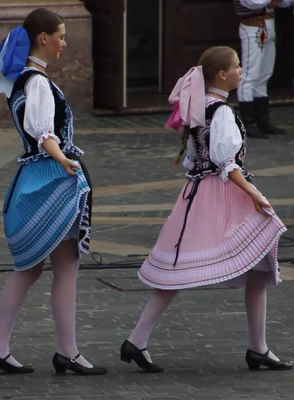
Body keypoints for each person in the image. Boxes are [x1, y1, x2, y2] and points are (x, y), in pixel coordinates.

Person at [120, 46, 292, 373]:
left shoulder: (202, 108)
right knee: (191, 270)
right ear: (222, 75)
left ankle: (258, 348)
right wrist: (254, 193)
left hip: (197, 193)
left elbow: (195, 159)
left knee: (245, 267)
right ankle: (138, 339)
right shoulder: (222, 112)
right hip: (221, 196)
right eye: (237, 67)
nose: (241, 71)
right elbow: (225, 163)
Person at [0, 8, 106, 376]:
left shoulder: (22, 80)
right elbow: (43, 133)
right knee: (63, 266)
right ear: (43, 38)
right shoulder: (37, 83)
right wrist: (65, 162)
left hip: (34, 174)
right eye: (61, 36)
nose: (65, 42)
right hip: (50, 177)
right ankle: (66, 351)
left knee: (32, 268)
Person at [235, 0, 293, 137]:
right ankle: (248, 123)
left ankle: (262, 121)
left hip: (269, 26)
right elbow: (251, 2)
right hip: (251, 26)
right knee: (249, 75)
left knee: (264, 74)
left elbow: (285, 3)